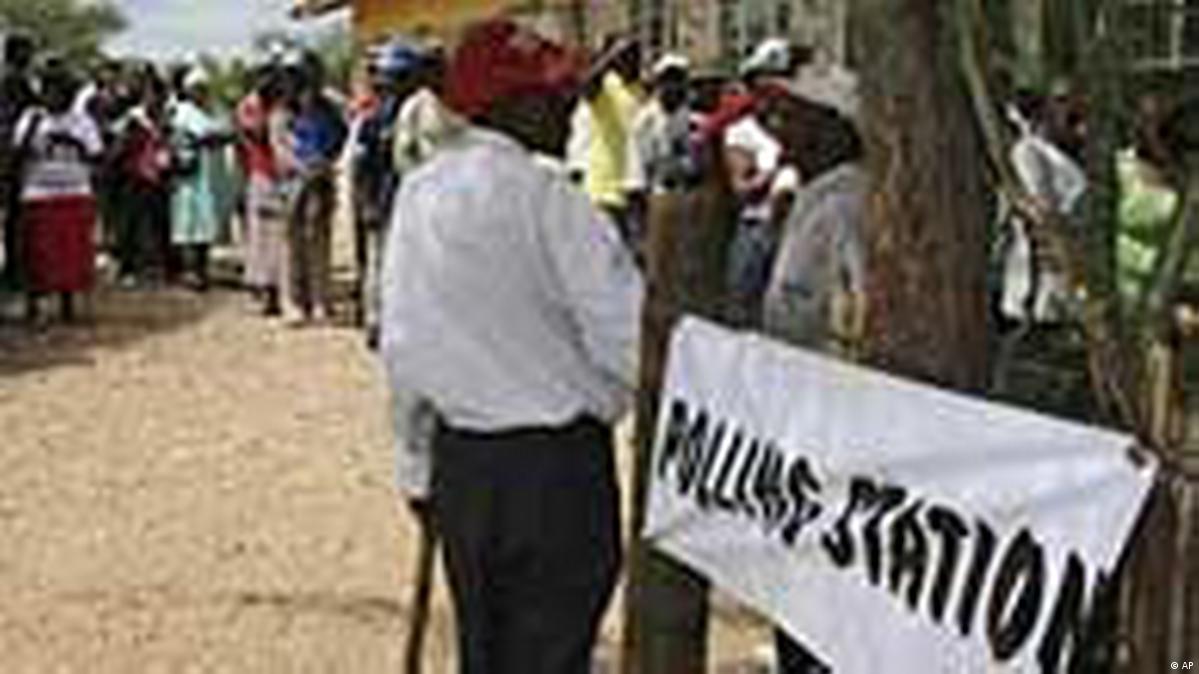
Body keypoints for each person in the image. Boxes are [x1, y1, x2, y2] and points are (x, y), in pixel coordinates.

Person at [381, 18, 643, 673]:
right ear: (509, 105)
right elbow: (631, 341)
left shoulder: (417, 195)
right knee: (551, 657)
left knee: (487, 654)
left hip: (464, 468)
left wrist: (416, 466)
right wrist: (615, 398)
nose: (567, 109)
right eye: (553, 95)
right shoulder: (552, 199)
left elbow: (403, 347)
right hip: (556, 475)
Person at [353, 37, 442, 346]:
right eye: (393, 78)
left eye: (401, 78)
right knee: (381, 262)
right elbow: (362, 167)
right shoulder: (374, 120)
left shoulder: (425, 113)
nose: (395, 85)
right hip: (386, 201)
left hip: (417, 202)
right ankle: (376, 322)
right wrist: (367, 204)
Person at [12, 59, 103, 323]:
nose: (54, 95)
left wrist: (73, 142)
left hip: (74, 191)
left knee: (70, 253)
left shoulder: (82, 121)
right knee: (37, 253)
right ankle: (34, 307)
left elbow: (97, 157)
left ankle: (67, 307)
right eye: (49, 89)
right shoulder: (31, 117)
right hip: (38, 192)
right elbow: (17, 153)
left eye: (60, 89)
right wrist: (33, 133)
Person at [723, 39, 803, 326]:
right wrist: (775, 170)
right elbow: (741, 189)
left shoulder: (800, 128)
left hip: (797, 227)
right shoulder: (741, 132)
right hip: (759, 228)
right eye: (763, 85)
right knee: (743, 313)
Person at [998, 90, 1087, 325]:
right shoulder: (1028, 151)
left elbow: (1048, 201)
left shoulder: (1043, 151)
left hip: (1058, 235)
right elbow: (1041, 201)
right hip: (1044, 237)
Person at [566, 35, 644, 251]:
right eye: (625, 55)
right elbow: (586, 85)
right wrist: (609, 57)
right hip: (603, 190)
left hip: (634, 191)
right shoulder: (605, 88)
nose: (633, 59)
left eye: (635, 54)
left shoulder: (641, 91)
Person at [287, 53, 347, 323]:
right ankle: (297, 302)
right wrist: (299, 165)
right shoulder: (287, 110)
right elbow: (281, 144)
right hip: (293, 181)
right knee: (295, 241)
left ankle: (322, 301)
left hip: (320, 178)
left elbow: (341, 138)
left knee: (319, 241)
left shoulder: (329, 108)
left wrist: (326, 162)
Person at [169, 67, 235, 292]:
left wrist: (220, 136)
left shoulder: (212, 110)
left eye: (204, 89)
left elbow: (226, 132)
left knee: (205, 225)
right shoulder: (183, 111)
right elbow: (207, 135)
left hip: (209, 176)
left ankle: (202, 270)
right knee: (189, 224)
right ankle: (191, 272)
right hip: (191, 176)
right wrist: (218, 136)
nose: (202, 93)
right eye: (197, 89)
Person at [111, 67, 172, 286]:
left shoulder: (164, 119)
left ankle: (161, 268)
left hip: (158, 175)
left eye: (160, 96)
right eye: (153, 95)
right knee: (130, 223)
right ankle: (127, 268)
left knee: (159, 223)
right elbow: (119, 146)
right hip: (133, 175)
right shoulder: (133, 119)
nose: (156, 100)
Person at [237, 64, 288, 315]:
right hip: (262, 173)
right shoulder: (252, 106)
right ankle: (264, 289)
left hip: (277, 175)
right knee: (261, 235)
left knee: (277, 235)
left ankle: (275, 289)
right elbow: (253, 135)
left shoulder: (278, 106)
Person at [0, 33, 38, 289]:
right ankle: (13, 270)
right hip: (12, 156)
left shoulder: (16, 81)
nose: (31, 56)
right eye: (27, 51)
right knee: (14, 215)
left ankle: (14, 267)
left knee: (13, 216)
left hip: (12, 155)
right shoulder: (14, 82)